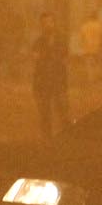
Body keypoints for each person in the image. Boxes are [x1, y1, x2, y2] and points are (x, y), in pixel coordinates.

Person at [30, 11, 70, 139]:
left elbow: (64, 57)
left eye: (50, 22)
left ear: (54, 23)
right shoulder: (38, 42)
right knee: (45, 114)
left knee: (63, 112)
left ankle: (66, 137)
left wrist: (46, 56)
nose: (47, 25)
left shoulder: (61, 40)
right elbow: (36, 58)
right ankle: (47, 139)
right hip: (43, 81)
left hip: (58, 80)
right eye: (44, 23)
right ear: (41, 25)